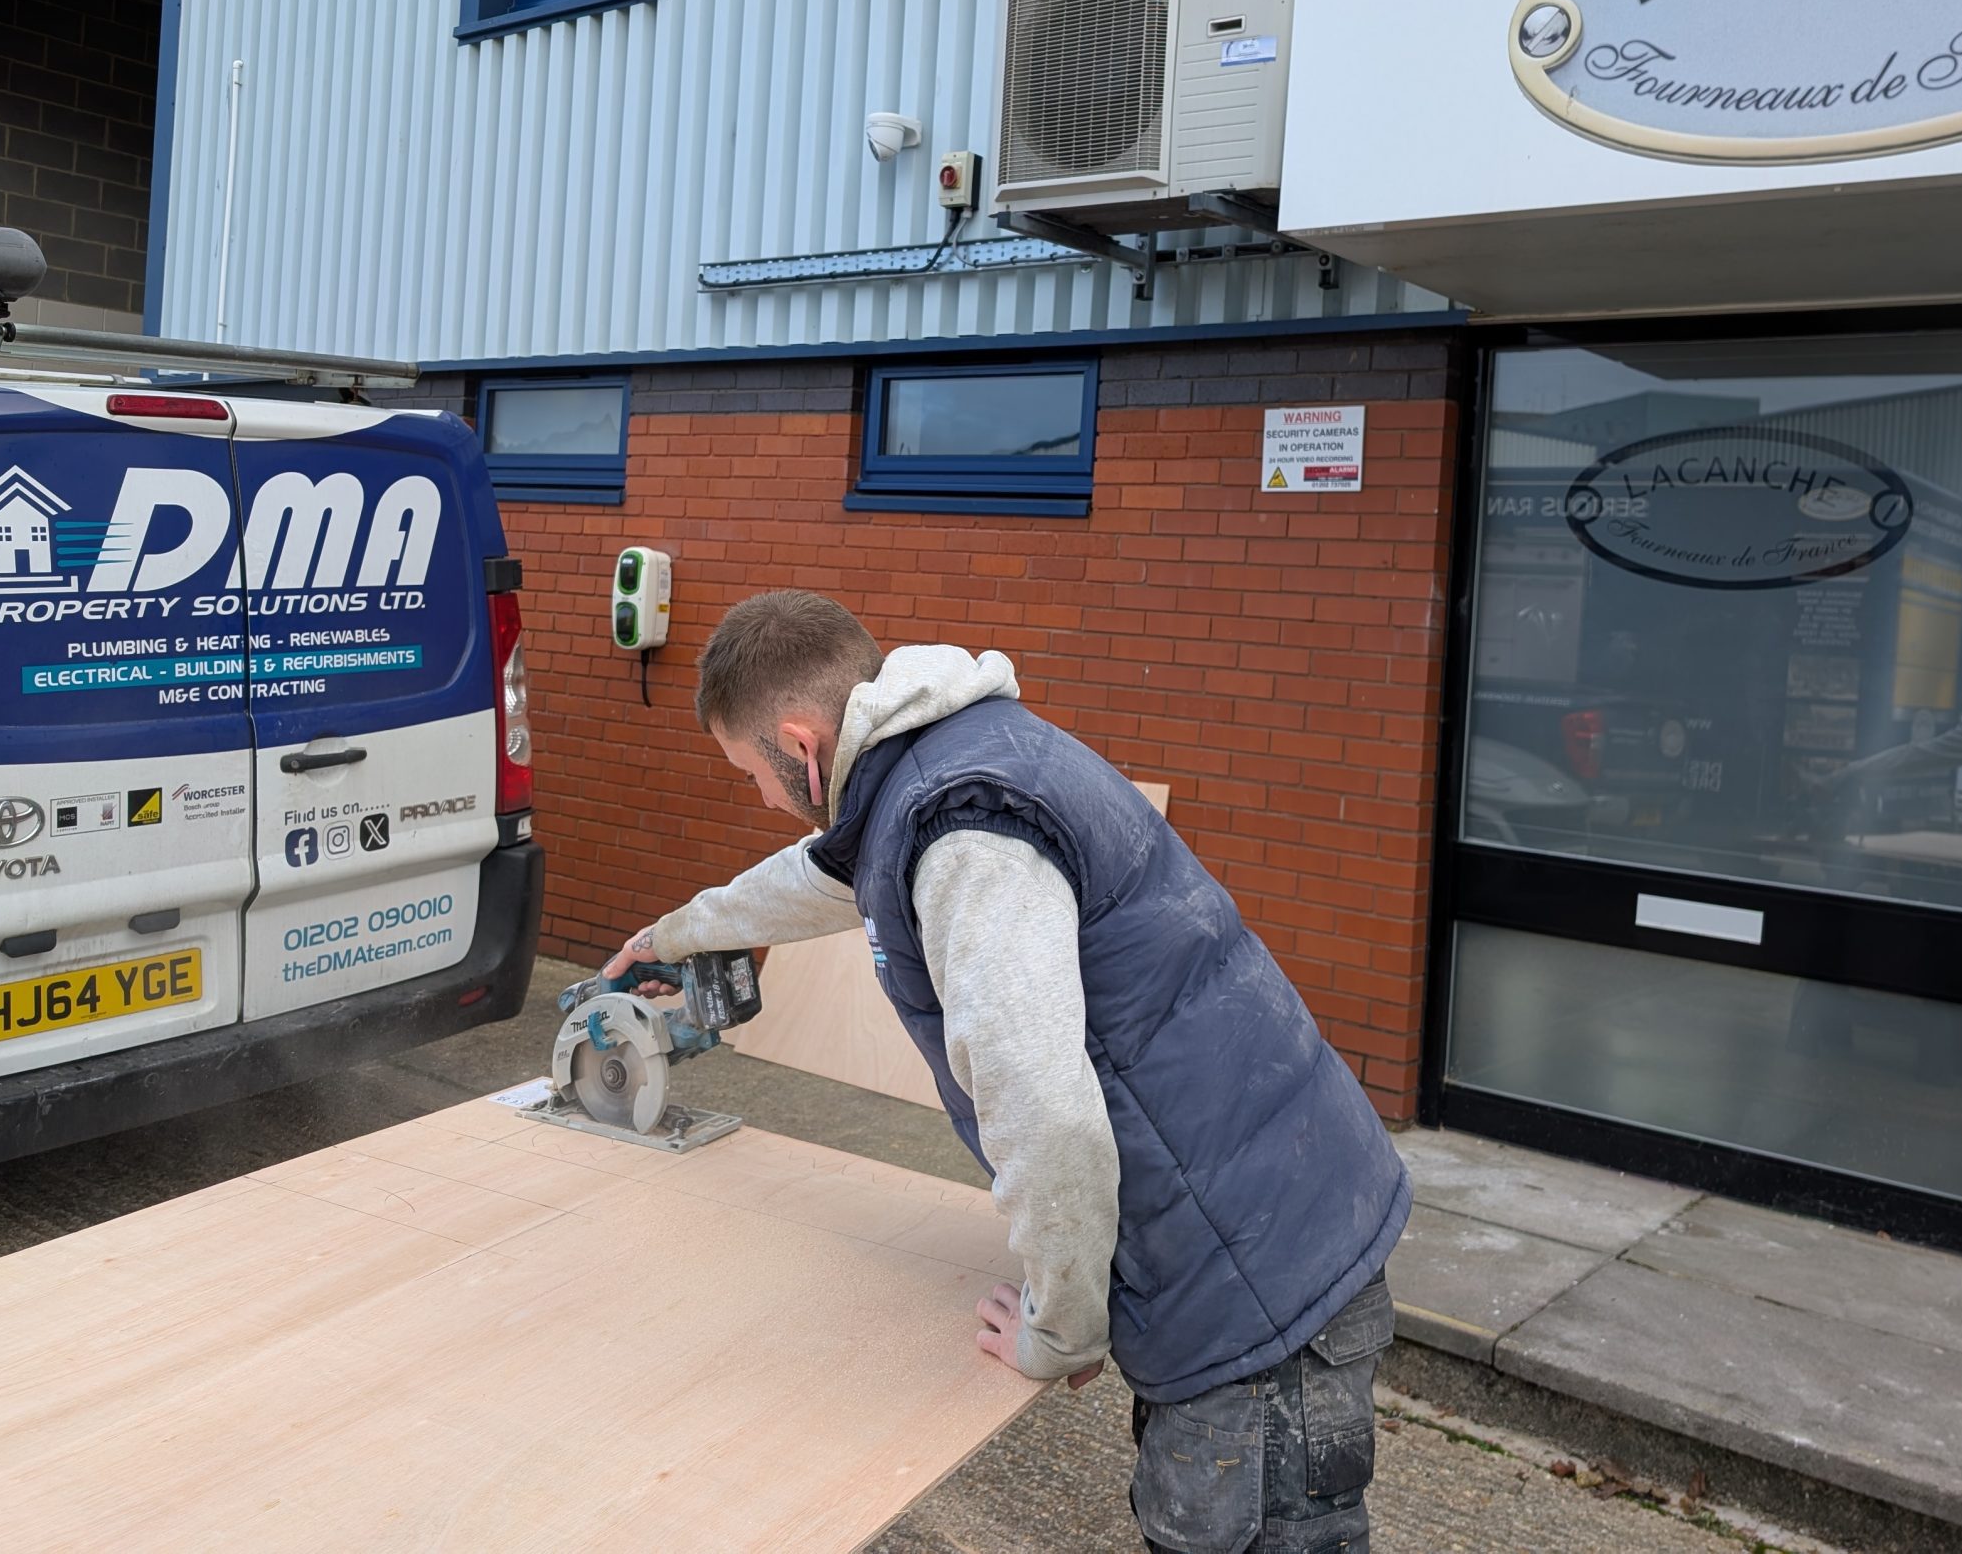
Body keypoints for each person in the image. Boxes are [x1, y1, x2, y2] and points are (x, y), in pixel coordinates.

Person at [601, 591, 1413, 1552]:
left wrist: (1060, 1327)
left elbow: (1042, 1108)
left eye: (753, 775)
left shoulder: (963, 839)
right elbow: (817, 878)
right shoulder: (949, 761)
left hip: (1248, 1276)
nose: (765, 801)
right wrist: (675, 935)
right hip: (1271, 1203)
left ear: (801, 747)